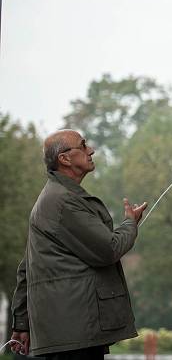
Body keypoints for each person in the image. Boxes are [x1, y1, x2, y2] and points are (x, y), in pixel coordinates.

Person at [9, 129, 147, 359]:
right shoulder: (63, 202)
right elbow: (108, 250)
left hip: (69, 331)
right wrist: (130, 223)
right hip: (74, 333)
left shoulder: (54, 197)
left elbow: (27, 266)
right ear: (64, 159)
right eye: (82, 146)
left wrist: (21, 322)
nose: (91, 150)